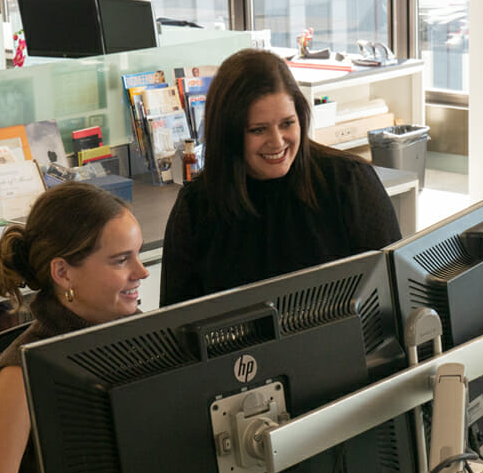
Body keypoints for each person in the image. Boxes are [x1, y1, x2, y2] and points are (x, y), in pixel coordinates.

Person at [160, 48, 401, 306]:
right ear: (228, 134)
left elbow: (396, 293)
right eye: (258, 130)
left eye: (287, 123)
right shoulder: (196, 208)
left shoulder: (349, 181)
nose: (277, 142)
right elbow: (175, 328)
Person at [0, 182, 149, 473]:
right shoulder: (19, 378)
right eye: (121, 260)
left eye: (138, 255)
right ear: (63, 273)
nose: (142, 272)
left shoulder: (141, 338)